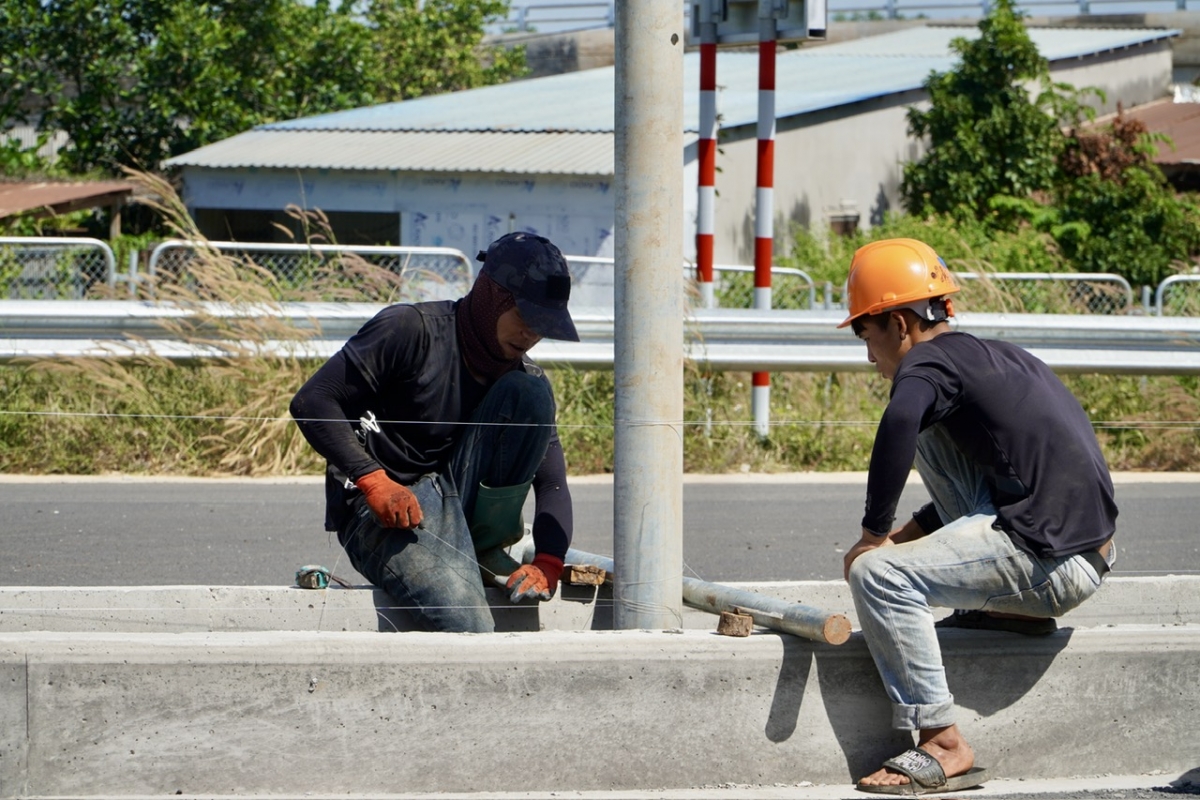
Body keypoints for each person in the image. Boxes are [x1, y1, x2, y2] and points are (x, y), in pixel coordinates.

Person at [837, 238, 1118, 795]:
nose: (868, 355)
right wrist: (901, 536)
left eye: (864, 335)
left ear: (897, 323)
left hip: (1051, 558)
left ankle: (943, 742)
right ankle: (1019, 615)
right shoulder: (987, 356)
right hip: (1080, 546)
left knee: (878, 576)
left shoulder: (923, 366)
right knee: (933, 432)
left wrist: (872, 539)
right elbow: (971, 485)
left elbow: (896, 425)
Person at [289, 231, 579, 633]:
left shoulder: (523, 375)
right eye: (526, 318)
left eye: (543, 325)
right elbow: (313, 402)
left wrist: (548, 562)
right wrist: (372, 480)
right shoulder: (410, 329)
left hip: (457, 507)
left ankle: (479, 547)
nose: (531, 334)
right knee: (468, 624)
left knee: (529, 393)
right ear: (492, 297)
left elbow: (553, 485)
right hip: (382, 511)